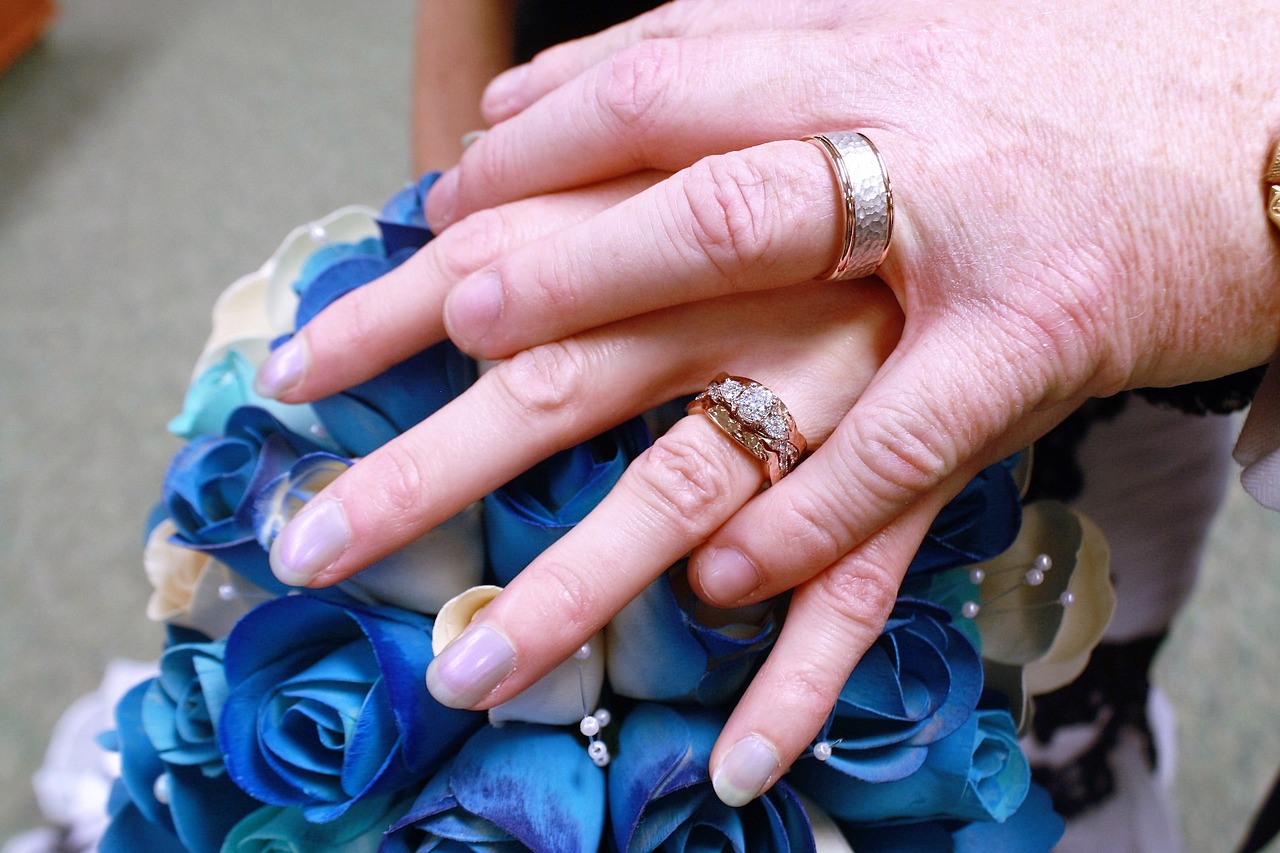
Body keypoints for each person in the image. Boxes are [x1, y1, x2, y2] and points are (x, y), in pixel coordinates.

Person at [252, 0, 1280, 837]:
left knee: (1037, 671)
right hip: (604, 124)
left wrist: (1242, 140)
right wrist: (475, 226)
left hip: (1139, 239)